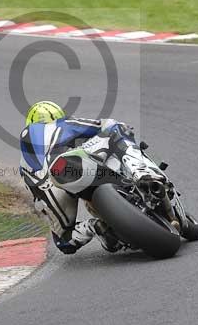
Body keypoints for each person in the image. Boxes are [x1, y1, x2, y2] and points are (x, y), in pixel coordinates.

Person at [19, 100, 166, 254]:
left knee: (64, 241)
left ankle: (95, 227)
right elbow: (105, 125)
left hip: (48, 187)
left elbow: (38, 202)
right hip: (70, 163)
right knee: (117, 130)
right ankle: (142, 173)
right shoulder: (63, 123)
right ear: (57, 116)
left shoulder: (23, 162)